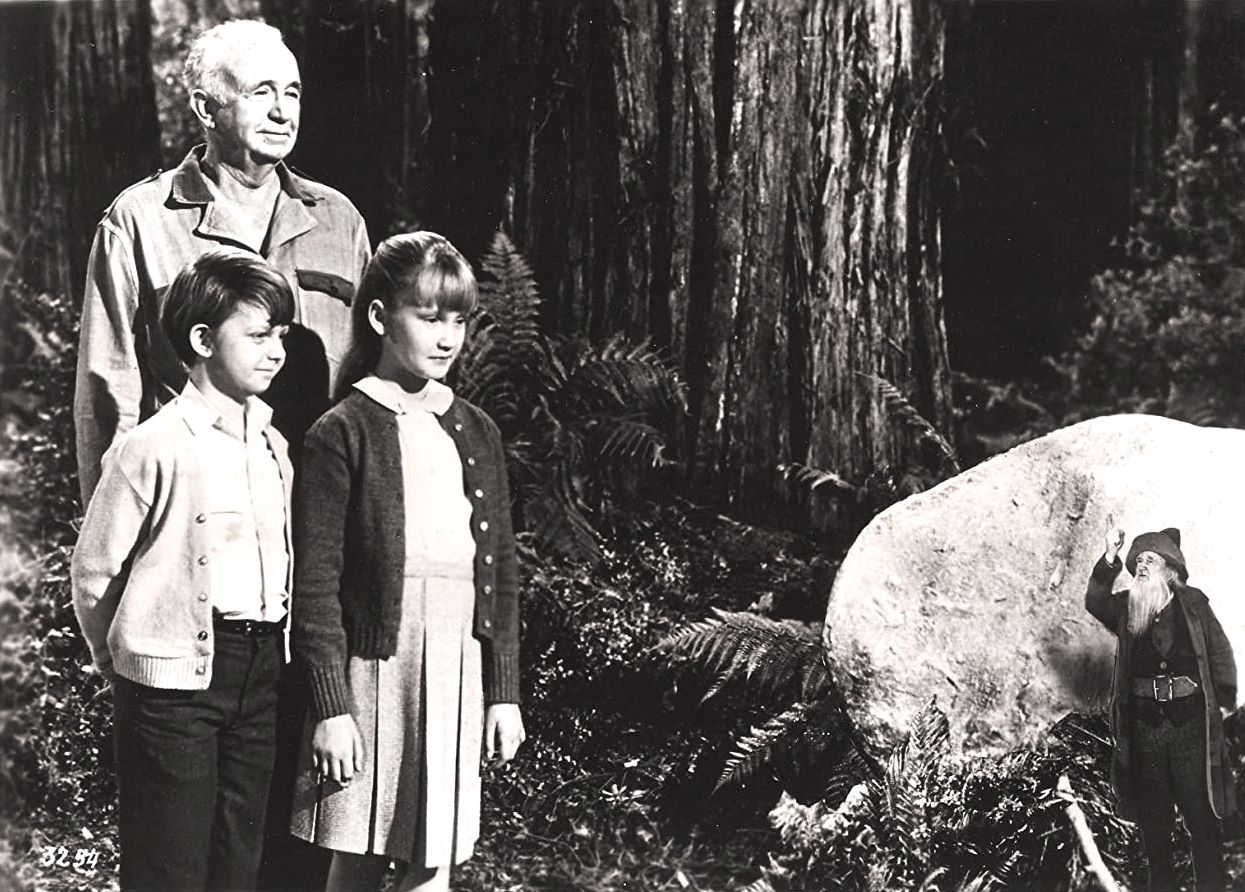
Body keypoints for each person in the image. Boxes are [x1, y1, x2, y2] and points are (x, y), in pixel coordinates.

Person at [288, 232, 525, 892]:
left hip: (454, 662)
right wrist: (332, 707)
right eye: (427, 316)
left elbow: (499, 572)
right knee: (360, 845)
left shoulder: (476, 429)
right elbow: (315, 585)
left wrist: (502, 692)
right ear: (378, 318)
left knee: (433, 856)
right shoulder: (342, 430)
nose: (447, 336)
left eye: (458, 319)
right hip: (374, 666)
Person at [74, 18, 370, 506]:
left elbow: (366, 376)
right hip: (194, 511)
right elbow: (107, 397)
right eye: (261, 92)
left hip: (319, 506)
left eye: (292, 93)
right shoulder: (142, 220)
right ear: (206, 108)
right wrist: (115, 533)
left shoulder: (340, 221)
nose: (282, 112)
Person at [71, 250, 295, 891]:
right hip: (170, 686)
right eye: (258, 335)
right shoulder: (153, 445)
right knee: (169, 860)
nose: (276, 350)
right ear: (201, 340)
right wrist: (130, 661)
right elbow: (94, 572)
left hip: (258, 674)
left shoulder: (273, 444)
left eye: (280, 334)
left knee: (238, 857)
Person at [1085, 520, 1237, 892]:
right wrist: (1110, 557)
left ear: (1171, 570)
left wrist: (1225, 704)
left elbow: (1218, 653)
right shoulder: (1126, 608)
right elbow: (1095, 600)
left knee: (1202, 820)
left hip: (1189, 731)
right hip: (1144, 732)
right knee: (1155, 827)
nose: (1141, 565)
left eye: (1150, 559)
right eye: (1138, 560)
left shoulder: (1195, 605)